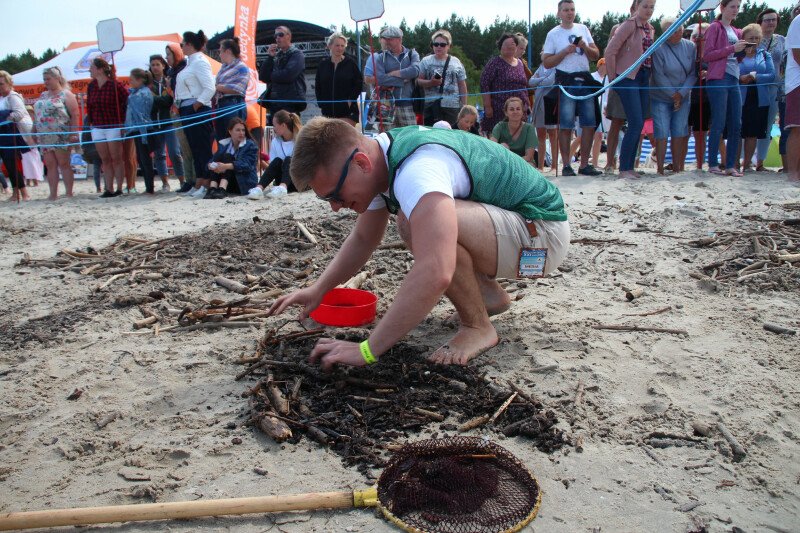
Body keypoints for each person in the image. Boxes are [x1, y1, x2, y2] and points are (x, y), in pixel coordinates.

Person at [267, 118, 569, 369]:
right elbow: (363, 238)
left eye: (335, 195)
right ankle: (488, 297)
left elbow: (435, 270)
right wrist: (319, 289)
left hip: (542, 236)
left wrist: (367, 350)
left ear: (360, 163)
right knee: (421, 223)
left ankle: (477, 327)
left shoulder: (416, 172)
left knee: (416, 224)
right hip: (517, 229)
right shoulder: (379, 158)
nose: (335, 206)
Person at [541, 0, 602, 176]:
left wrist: (585, 46)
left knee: (589, 123)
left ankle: (584, 164)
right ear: (559, 13)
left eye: (572, 9)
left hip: (584, 78)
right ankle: (567, 164)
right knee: (566, 123)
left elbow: (596, 54)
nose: (570, 13)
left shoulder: (583, 29)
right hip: (565, 81)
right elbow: (547, 61)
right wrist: (564, 52)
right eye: (566, 10)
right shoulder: (553, 34)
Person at [605, 0, 656, 180]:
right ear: (636, 7)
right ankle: (624, 167)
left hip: (643, 76)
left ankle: (629, 166)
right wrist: (613, 78)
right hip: (628, 77)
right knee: (635, 122)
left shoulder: (650, 28)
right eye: (645, 6)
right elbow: (610, 51)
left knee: (639, 123)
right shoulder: (628, 25)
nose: (649, 10)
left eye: (652, 7)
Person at [704, 0, 747, 176]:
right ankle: (713, 163)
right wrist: (731, 49)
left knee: (736, 123)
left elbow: (736, 58)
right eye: (732, 7)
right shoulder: (714, 27)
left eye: (738, 7)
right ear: (722, 8)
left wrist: (744, 51)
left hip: (734, 78)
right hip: (718, 78)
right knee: (719, 121)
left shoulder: (737, 30)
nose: (736, 10)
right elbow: (707, 55)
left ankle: (731, 165)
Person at [650, 17, 696, 174]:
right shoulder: (658, 48)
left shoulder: (690, 46)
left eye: (679, 29)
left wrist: (681, 94)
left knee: (680, 131)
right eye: (672, 30)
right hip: (660, 97)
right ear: (664, 32)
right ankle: (660, 167)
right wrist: (673, 94)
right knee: (661, 131)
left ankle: (677, 167)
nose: (677, 33)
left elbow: (693, 73)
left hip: (683, 96)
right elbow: (658, 74)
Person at [175, 30, 215, 198]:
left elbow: (210, 87)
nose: (181, 47)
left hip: (196, 108)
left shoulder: (200, 62)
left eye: (182, 44)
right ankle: (199, 181)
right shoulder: (190, 63)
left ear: (190, 45)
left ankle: (205, 182)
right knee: (194, 147)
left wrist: (197, 105)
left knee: (203, 147)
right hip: (186, 107)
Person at [33, 66, 80, 200]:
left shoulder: (66, 94)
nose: (46, 82)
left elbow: (75, 114)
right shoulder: (43, 95)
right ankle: (53, 194)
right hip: (44, 135)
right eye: (44, 79)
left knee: (64, 163)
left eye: (48, 79)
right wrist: (34, 130)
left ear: (57, 78)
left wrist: (73, 133)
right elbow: (37, 115)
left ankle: (69, 192)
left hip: (61, 133)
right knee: (50, 164)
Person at [86, 57, 128, 198]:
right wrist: (91, 122)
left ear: (100, 69)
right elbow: (89, 107)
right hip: (97, 125)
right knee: (104, 159)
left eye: (91, 67)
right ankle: (108, 188)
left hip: (113, 124)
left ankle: (119, 187)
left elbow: (126, 101)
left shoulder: (115, 85)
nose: (89, 70)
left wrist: (123, 121)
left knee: (116, 157)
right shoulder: (91, 86)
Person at [738, 23, 776, 172]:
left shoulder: (765, 55)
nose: (753, 40)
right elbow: (731, 74)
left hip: (759, 98)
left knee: (752, 133)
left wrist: (755, 76)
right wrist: (741, 78)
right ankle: (734, 163)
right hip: (740, 96)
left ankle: (746, 164)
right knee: (737, 132)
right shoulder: (737, 55)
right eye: (750, 38)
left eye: (756, 38)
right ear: (743, 39)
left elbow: (772, 76)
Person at [480, 33, 529, 136]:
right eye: (506, 45)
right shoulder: (494, 63)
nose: (510, 47)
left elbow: (524, 85)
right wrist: (487, 106)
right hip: (499, 110)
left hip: (519, 109)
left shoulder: (520, 63)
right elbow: (484, 84)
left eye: (512, 45)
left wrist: (527, 104)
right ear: (500, 47)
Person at [755, 8, 786, 171]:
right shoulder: (754, 38)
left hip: (775, 87)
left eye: (774, 19)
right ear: (760, 21)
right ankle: (745, 161)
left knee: (768, 125)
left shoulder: (782, 40)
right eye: (767, 20)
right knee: (750, 123)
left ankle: (760, 162)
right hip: (755, 87)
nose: (771, 23)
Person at [417, 29, 468, 126]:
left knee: (450, 136)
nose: (438, 47)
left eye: (442, 44)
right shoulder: (425, 61)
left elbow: (462, 85)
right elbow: (418, 81)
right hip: (431, 106)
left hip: (452, 107)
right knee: (431, 135)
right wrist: (430, 83)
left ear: (449, 46)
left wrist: (464, 106)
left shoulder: (456, 62)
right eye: (435, 44)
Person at [149, 54, 185, 192]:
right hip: (155, 122)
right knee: (159, 154)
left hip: (169, 120)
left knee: (174, 152)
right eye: (153, 65)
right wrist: (160, 100)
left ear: (163, 65)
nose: (155, 67)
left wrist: (156, 99)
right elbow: (150, 104)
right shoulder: (149, 84)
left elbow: (167, 101)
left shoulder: (168, 81)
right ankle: (165, 183)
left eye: (158, 64)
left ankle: (182, 181)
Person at [373, 25, 420, 129]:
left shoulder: (412, 54)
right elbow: (380, 79)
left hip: (407, 104)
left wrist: (393, 73)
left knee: (410, 138)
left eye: (390, 39)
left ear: (399, 39)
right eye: (385, 39)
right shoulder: (381, 57)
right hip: (386, 105)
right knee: (388, 140)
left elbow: (415, 71)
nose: (387, 41)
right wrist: (403, 80)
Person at [247, 109, 300, 199]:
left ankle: (282, 188)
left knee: (288, 159)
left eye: (275, 125)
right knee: (277, 161)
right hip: (282, 179)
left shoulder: (300, 140)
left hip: (299, 180)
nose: (273, 128)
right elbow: (272, 164)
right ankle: (259, 189)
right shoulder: (276, 141)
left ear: (283, 125)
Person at [258, 25, 307, 122]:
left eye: (280, 35)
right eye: (275, 36)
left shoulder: (297, 54)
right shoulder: (276, 56)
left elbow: (288, 75)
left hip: (290, 102)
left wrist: (271, 75)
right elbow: (263, 76)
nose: (277, 38)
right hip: (275, 102)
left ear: (289, 36)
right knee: (277, 133)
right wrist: (270, 57)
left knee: (290, 133)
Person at [315, 32, 363, 125]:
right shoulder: (322, 65)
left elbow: (359, 83)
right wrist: (321, 103)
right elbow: (318, 86)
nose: (340, 48)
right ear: (330, 46)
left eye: (342, 46)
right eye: (337, 45)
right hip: (327, 113)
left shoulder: (351, 63)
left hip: (348, 113)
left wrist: (350, 100)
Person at [165, 43, 195, 192]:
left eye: (169, 54)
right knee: (184, 148)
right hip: (176, 112)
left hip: (184, 111)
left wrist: (169, 88)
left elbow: (179, 95)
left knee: (189, 147)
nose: (167, 58)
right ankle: (189, 180)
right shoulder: (172, 71)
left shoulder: (183, 69)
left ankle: (193, 180)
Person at [206, 117, 258, 199]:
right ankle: (212, 188)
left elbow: (247, 165)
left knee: (228, 156)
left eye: (243, 130)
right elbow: (214, 159)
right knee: (218, 159)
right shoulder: (224, 144)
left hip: (243, 183)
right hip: (231, 182)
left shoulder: (250, 145)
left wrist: (225, 166)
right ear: (230, 131)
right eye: (238, 130)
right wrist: (211, 165)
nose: (241, 133)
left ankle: (222, 189)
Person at [125, 68, 156, 195]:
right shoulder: (135, 93)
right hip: (136, 129)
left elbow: (141, 115)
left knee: (145, 159)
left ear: (140, 80)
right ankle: (148, 186)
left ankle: (150, 187)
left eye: (132, 80)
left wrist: (143, 135)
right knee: (141, 158)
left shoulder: (142, 94)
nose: (130, 82)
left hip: (143, 130)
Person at [214, 37, 250, 141]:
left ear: (228, 51)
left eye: (220, 51)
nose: (219, 54)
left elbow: (238, 89)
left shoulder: (241, 67)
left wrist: (218, 87)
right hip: (221, 105)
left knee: (234, 140)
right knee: (222, 140)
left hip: (234, 105)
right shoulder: (223, 68)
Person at [529, 63, 559, 171]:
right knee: (540, 136)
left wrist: (539, 80)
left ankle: (554, 165)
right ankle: (541, 166)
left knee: (553, 135)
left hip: (551, 103)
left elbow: (549, 82)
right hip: (539, 104)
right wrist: (542, 79)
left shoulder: (556, 67)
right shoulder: (540, 67)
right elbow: (530, 82)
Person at [689, 25, 711, 171]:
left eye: (702, 36)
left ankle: (700, 164)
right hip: (689, 96)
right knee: (685, 132)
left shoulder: (711, 54)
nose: (699, 39)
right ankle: (681, 164)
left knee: (702, 133)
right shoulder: (688, 52)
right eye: (697, 36)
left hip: (706, 98)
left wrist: (708, 73)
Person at [490, 97, 537, 164]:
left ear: (522, 112)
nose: (515, 112)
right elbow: (491, 146)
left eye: (518, 109)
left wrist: (512, 162)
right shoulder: (499, 126)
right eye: (511, 109)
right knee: (503, 145)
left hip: (523, 163)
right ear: (506, 112)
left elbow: (529, 157)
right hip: (504, 162)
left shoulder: (529, 128)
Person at [783, 6, 800, 182]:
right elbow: (798, 55)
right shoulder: (798, 21)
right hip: (798, 83)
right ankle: (794, 173)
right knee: (797, 129)